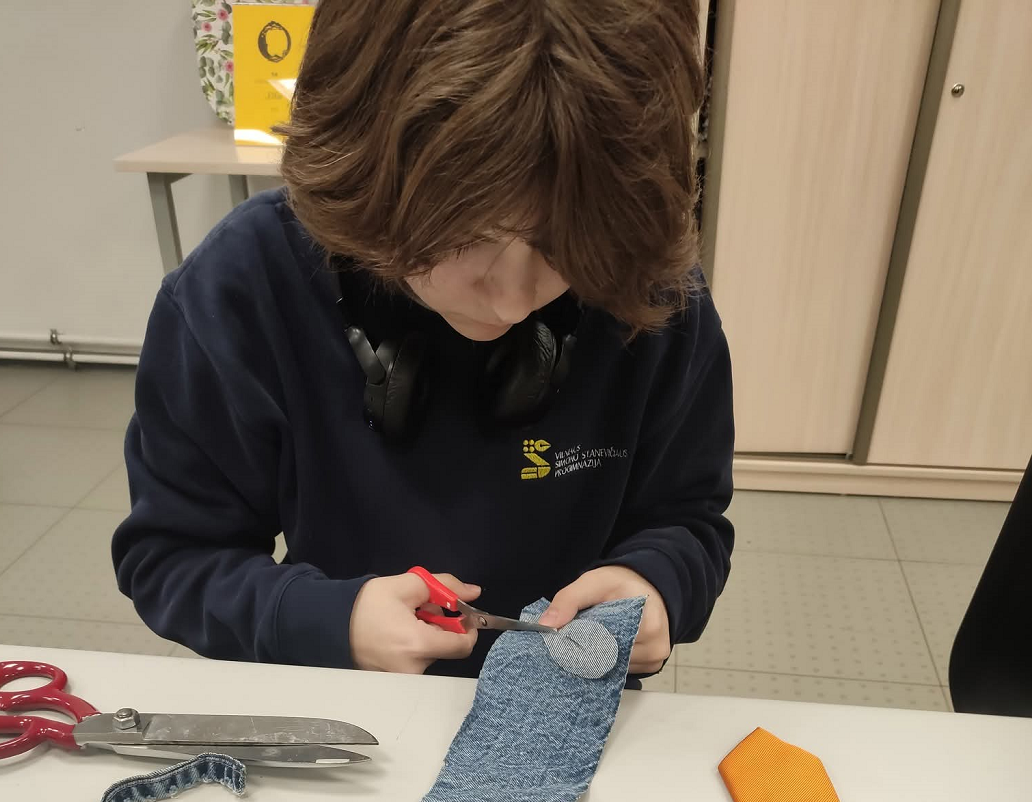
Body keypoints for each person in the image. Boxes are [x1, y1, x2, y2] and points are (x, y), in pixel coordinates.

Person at [113, 0, 734, 679]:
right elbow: (172, 558)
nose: (512, 301)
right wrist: (326, 620)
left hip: (578, 705)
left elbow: (688, 519)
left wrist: (657, 582)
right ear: (366, 165)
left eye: (566, 247)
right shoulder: (244, 286)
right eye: (466, 237)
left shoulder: (648, 286)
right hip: (346, 700)